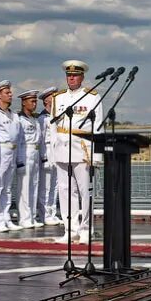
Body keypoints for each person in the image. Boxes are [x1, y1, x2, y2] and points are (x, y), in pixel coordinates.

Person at [52, 61, 104, 244]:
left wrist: (97, 154)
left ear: (82, 77)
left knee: (84, 192)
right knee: (65, 191)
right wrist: (52, 153)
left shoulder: (92, 97)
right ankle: (70, 229)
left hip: (83, 148)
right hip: (62, 149)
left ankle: (85, 229)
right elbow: (52, 127)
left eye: (75, 75)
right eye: (69, 75)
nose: (71, 78)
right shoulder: (58, 99)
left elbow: (98, 126)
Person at [0, 81, 23, 232]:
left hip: (12, 151)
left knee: (7, 187)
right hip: (1, 149)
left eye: (10, 92)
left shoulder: (13, 115)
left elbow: (19, 137)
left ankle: (5, 216)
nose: (10, 95)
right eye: (7, 93)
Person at [16, 89, 43, 229]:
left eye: (35, 101)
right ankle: (24, 217)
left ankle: (32, 216)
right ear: (24, 102)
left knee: (34, 185)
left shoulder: (35, 119)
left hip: (35, 152)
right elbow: (19, 141)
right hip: (25, 152)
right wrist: (19, 160)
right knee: (25, 186)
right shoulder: (19, 119)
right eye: (32, 101)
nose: (34, 104)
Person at [38, 86, 61, 225]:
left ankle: (52, 212)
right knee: (45, 187)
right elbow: (40, 140)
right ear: (47, 100)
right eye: (54, 97)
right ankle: (44, 213)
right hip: (47, 152)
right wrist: (44, 157)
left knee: (55, 186)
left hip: (56, 153)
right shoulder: (43, 118)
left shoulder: (56, 117)